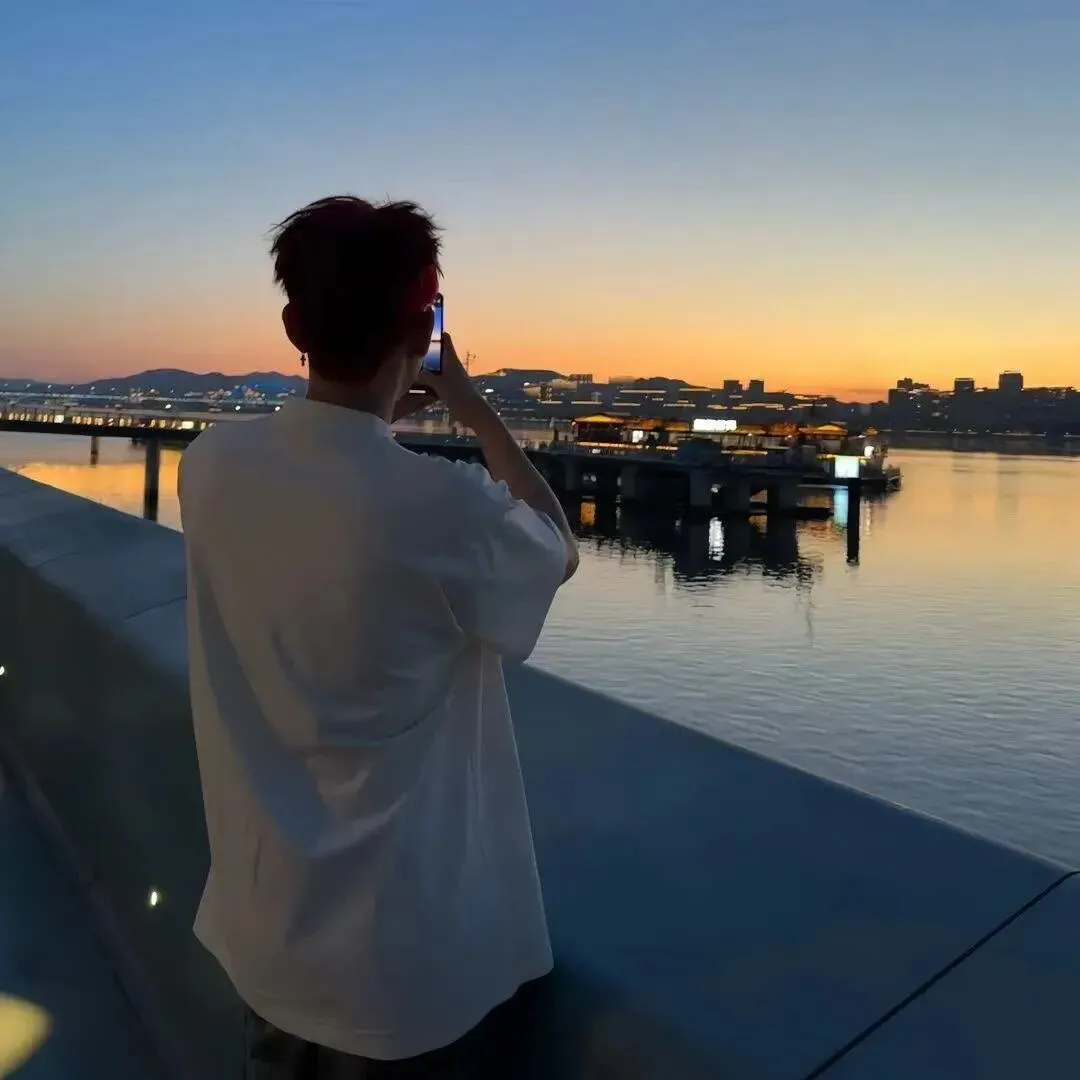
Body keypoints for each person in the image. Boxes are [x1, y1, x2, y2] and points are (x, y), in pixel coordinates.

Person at [178, 195, 579, 1078]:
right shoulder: (440, 506)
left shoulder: (208, 465)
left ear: (295, 326)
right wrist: (474, 409)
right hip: (400, 963)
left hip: (265, 928)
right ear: (423, 332)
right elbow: (558, 549)